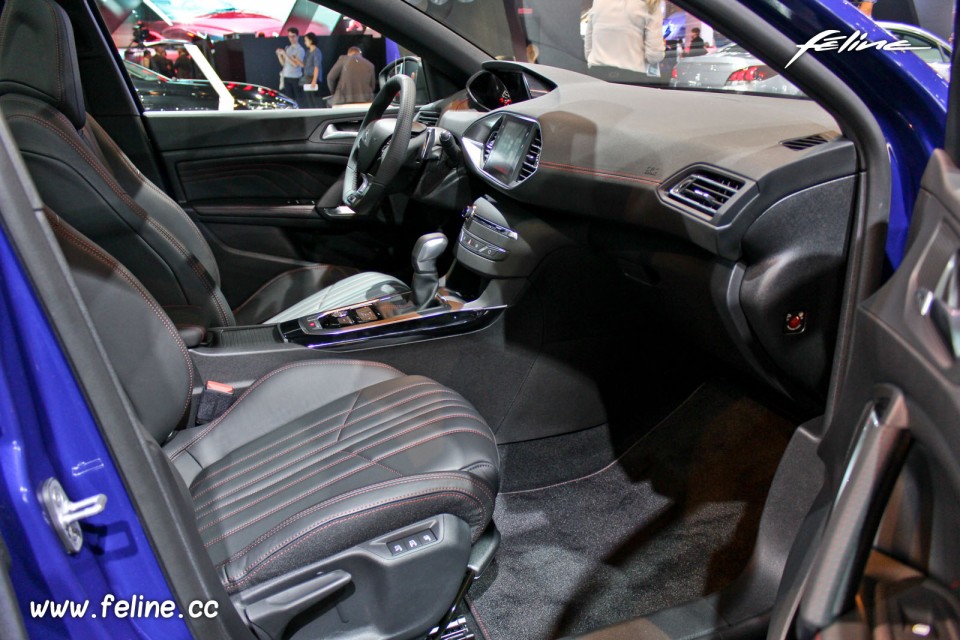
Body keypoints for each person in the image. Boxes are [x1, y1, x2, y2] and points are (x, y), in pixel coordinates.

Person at [583, 0, 665, 75]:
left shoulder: (598, 2)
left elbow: (588, 48)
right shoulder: (650, 4)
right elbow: (654, 55)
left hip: (596, 74)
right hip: (630, 77)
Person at [276, 27, 305, 105]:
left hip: (295, 78)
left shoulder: (300, 49)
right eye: (289, 36)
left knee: (298, 99)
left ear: (297, 36)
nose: (291, 38)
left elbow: (295, 64)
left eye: (293, 36)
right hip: (286, 76)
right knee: (289, 99)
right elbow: (283, 63)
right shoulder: (288, 48)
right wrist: (279, 55)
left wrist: (285, 55)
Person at [300, 33, 322, 108]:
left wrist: (314, 80)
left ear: (311, 40)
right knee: (308, 100)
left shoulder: (316, 52)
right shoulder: (308, 52)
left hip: (312, 78)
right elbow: (305, 65)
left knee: (314, 100)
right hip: (307, 78)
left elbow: (317, 66)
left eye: (306, 40)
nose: (305, 42)